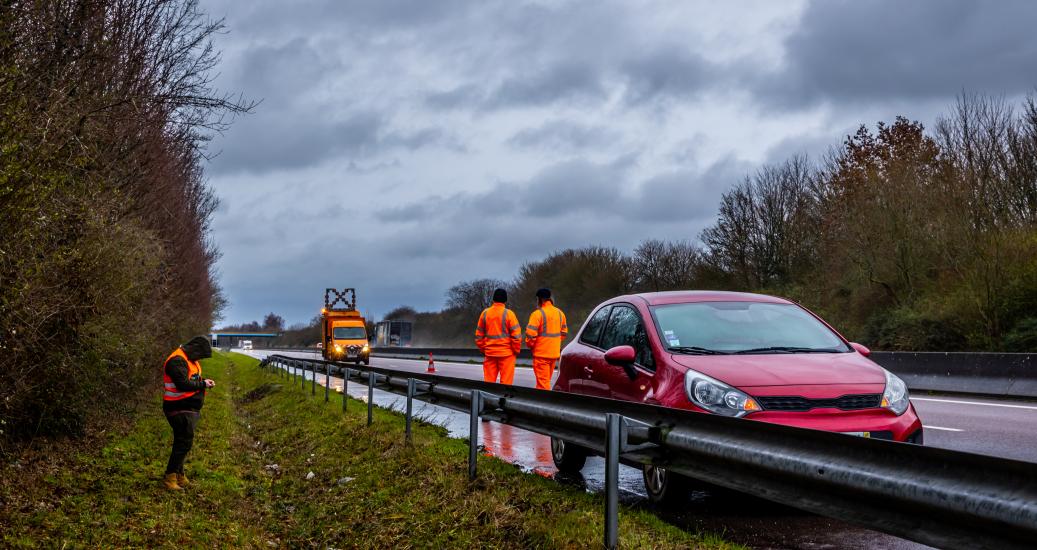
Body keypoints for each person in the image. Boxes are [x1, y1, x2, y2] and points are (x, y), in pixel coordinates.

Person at [161, 336, 215, 491]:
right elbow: (183, 384)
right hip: (178, 408)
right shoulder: (177, 360)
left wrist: (204, 381)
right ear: (194, 349)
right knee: (183, 442)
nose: (199, 358)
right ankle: (170, 477)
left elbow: (192, 378)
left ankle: (179, 475)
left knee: (183, 442)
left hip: (187, 408)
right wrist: (202, 384)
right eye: (200, 355)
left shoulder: (189, 360)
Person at [474, 288, 522, 384]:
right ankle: (503, 399)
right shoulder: (509, 314)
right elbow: (516, 337)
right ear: (505, 300)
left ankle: (488, 399)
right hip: (506, 355)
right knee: (506, 385)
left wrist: (485, 350)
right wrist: (515, 351)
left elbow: (479, 337)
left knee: (489, 384)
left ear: (493, 299)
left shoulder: (485, 313)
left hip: (490, 354)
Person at [524, 288, 568, 390]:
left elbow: (530, 334)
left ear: (539, 299)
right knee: (545, 381)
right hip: (553, 354)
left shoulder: (537, 314)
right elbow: (564, 333)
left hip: (541, 355)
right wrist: (553, 343)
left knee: (543, 386)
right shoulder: (560, 313)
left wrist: (531, 345)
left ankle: (544, 404)